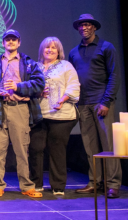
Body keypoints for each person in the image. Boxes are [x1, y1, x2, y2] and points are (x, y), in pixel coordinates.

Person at [68, 14, 121, 198]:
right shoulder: (74, 52)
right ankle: (95, 182)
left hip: (101, 102)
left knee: (108, 144)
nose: (84, 28)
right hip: (83, 103)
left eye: (88, 25)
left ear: (94, 28)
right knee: (90, 145)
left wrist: (106, 101)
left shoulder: (106, 47)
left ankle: (113, 184)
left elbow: (114, 75)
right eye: (81, 25)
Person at [0, 29, 44, 198]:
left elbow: (39, 84)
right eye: (7, 40)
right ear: (3, 43)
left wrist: (18, 87)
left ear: (19, 42)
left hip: (20, 108)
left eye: (14, 40)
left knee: (21, 149)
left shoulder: (28, 62)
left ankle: (26, 185)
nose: (10, 42)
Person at [28, 37, 80, 195]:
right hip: (39, 115)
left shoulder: (66, 66)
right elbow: (28, 87)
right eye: (46, 48)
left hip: (61, 115)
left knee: (56, 149)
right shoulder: (34, 67)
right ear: (41, 50)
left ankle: (58, 186)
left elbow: (74, 85)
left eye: (53, 48)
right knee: (35, 148)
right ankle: (36, 183)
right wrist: (37, 91)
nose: (50, 50)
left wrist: (63, 99)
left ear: (59, 51)